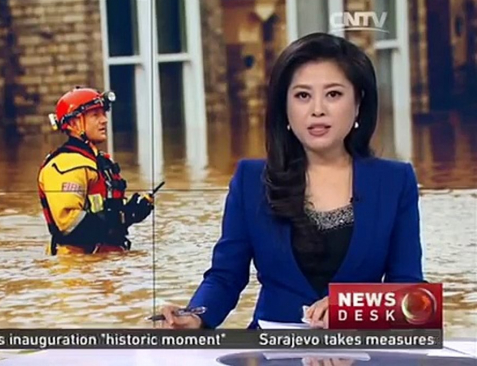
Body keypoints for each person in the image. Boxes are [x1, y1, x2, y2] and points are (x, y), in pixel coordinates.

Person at [158, 33, 424, 329]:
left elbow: (412, 295)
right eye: (302, 96)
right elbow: (225, 276)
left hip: (359, 353)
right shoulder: (250, 180)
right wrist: (195, 315)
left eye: (333, 94)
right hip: (271, 352)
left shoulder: (395, 181)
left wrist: (349, 308)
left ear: (359, 103)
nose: (317, 110)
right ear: (285, 107)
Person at [38, 87, 154, 255]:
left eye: (103, 113)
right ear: (73, 124)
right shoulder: (65, 165)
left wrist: (131, 211)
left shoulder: (97, 160)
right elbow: (70, 224)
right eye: (95, 115)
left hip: (105, 262)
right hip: (76, 270)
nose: (104, 120)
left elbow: (103, 211)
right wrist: (122, 217)